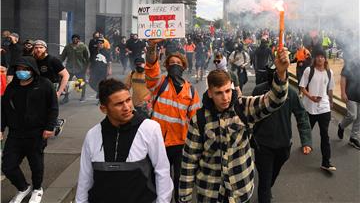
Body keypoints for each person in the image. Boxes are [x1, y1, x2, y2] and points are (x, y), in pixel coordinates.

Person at [179, 48, 290, 203]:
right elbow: (189, 160)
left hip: (240, 191)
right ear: (210, 92)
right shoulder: (199, 120)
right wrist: (184, 196)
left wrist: (281, 74)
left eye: (227, 91)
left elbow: (274, 100)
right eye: (219, 93)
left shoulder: (243, 107)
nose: (225, 97)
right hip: (210, 194)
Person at [75, 78, 173, 203]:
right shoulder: (92, 135)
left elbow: (162, 171)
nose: (127, 107)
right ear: (104, 109)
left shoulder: (150, 128)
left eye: (128, 100)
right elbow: (85, 178)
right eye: (119, 104)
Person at [145, 39, 201, 203]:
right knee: (160, 181)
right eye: (171, 63)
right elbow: (151, 69)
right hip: (159, 142)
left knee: (180, 181)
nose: (175, 65)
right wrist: (152, 47)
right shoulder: (159, 83)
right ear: (167, 66)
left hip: (180, 143)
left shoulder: (190, 91)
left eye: (178, 63)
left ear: (183, 67)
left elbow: (196, 121)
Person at [1, 56, 59, 203]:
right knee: (8, 165)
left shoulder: (45, 85)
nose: (22, 72)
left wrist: (49, 127)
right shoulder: (12, 87)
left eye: (25, 69)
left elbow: (53, 108)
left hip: (37, 133)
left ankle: (37, 189)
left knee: (36, 165)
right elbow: (4, 109)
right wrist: (1, 128)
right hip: (15, 134)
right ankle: (23, 187)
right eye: (19, 69)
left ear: (32, 70)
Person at [252, 65, 312, 203]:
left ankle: (267, 189)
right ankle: (265, 194)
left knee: (272, 175)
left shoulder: (291, 93)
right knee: (265, 180)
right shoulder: (259, 90)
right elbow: (250, 115)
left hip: (283, 145)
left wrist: (306, 140)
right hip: (263, 145)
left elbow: (301, 115)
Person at [300, 49, 336, 171]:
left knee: (325, 135)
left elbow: (330, 89)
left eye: (322, 56)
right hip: (310, 108)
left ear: (325, 59)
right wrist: (310, 96)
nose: (320, 59)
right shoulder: (309, 71)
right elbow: (302, 87)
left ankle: (326, 162)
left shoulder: (329, 72)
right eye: (318, 56)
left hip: (324, 108)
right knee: (307, 130)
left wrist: (331, 101)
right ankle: (305, 143)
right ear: (315, 58)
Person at [33, 40, 70, 136]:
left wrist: (59, 91)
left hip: (51, 88)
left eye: (41, 47)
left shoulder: (53, 60)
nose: (38, 50)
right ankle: (56, 122)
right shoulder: (32, 60)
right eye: (36, 48)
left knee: (48, 109)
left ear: (45, 49)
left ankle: (53, 124)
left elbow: (66, 75)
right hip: (37, 87)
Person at [337, 61, 360, 149]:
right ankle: (341, 126)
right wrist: (343, 93)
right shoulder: (350, 62)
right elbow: (343, 77)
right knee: (352, 115)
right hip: (350, 95)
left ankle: (353, 138)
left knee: (359, 118)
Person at [60, 34, 89, 103]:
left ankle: (82, 96)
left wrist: (87, 68)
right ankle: (66, 97)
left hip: (80, 68)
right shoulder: (68, 47)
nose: (75, 40)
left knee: (81, 82)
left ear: (79, 40)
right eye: (73, 39)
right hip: (69, 68)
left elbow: (87, 58)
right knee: (67, 83)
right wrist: (59, 65)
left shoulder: (83, 47)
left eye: (76, 39)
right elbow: (62, 57)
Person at [88, 37, 112, 101]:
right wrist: (88, 69)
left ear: (103, 44)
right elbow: (90, 60)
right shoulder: (93, 51)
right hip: (94, 70)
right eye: (98, 43)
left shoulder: (106, 51)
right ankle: (99, 92)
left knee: (102, 84)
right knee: (91, 82)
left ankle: (102, 97)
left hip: (103, 70)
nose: (99, 44)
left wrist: (109, 70)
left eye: (101, 43)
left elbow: (109, 62)